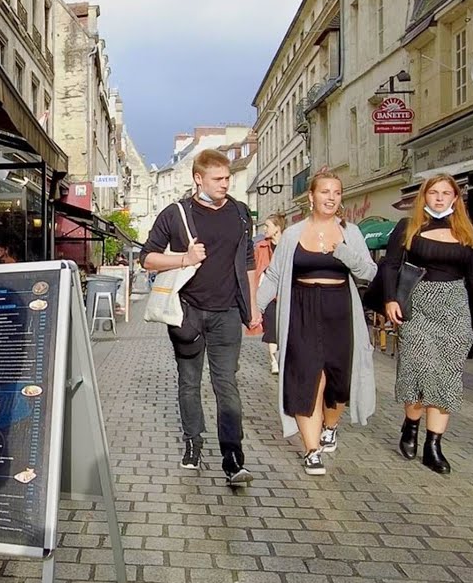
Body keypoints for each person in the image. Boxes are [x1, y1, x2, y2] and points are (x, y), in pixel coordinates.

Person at [142, 149, 260, 485]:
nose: (225, 184)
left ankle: (233, 458)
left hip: (227, 312)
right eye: (218, 179)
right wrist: (184, 258)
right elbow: (147, 258)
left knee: (227, 384)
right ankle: (193, 442)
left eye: (227, 178)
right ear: (199, 178)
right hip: (187, 312)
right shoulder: (175, 213)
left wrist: (250, 307)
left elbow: (248, 260)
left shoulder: (239, 212)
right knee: (189, 382)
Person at [255, 173, 377, 475]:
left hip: (339, 310)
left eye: (336, 192)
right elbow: (272, 276)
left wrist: (342, 250)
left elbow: (369, 273)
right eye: (325, 192)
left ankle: (330, 426)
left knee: (339, 380)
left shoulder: (352, 232)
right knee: (305, 377)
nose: (331, 197)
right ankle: (311, 450)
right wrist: (254, 310)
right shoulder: (294, 234)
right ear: (311, 197)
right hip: (301, 308)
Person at [383, 175, 473, 474]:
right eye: (433, 192)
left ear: (455, 197)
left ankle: (433, 445)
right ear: (424, 196)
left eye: (445, 193)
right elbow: (390, 266)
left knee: (447, 375)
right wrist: (390, 300)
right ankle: (411, 424)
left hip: (454, 308)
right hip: (417, 304)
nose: (439, 198)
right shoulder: (408, 227)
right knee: (417, 369)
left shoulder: (465, 231)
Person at [252, 214, 286, 374]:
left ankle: (284, 357)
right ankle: (274, 361)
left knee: (285, 328)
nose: (264, 229)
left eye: (267, 226)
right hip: (269, 294)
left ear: (277, 228)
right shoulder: (260, 247)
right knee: (271, 328)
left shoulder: (289, 245)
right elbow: (254, 269)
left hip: (286, 294)